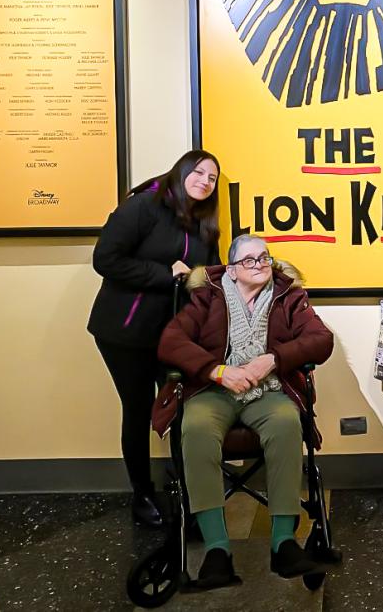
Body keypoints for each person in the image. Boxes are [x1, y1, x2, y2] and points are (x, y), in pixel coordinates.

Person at [156, 235, 334, 588]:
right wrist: (217, 370)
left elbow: (321, 339)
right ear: (233, 270)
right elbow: (170, 342)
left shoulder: (288, 297)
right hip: (214, 390)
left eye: (264, 257)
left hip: (267, 391)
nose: (261, 264)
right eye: (250, 260)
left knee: (286, 422)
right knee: (195, 427)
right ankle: (217, 550)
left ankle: (283, 542)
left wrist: (274, 359)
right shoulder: (207, 297)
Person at [87, 150, 222, 526]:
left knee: (185, 410)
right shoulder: (142, 207)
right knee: (138, 409)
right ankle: (142, 494)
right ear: (180, 172)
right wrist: (166, 273)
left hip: (174, 336)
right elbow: (106, 260)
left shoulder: (204, 223)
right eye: (199, 172)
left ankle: (190, 494)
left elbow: (205, 277)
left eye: (212, 178)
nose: (205, 182)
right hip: (125, 332)